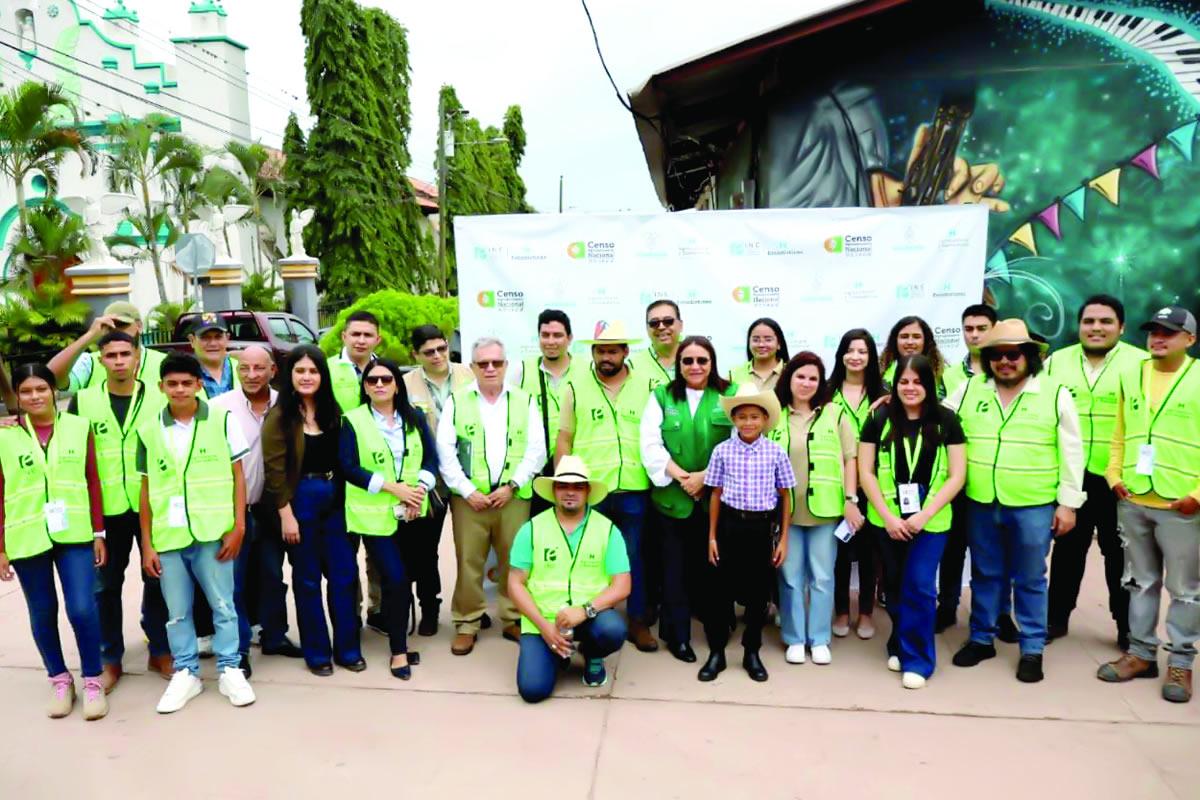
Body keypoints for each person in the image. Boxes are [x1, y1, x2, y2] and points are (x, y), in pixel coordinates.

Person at [946, 319, 1084, 683]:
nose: (1005, 361)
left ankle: (1032, 647)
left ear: (1028, 357)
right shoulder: (970, 389)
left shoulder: (1055, 393)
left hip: (1034, 504)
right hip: (981, 500)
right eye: (997, 355)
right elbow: (937, 418)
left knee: (1030, 578)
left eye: (1013, 354)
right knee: (985, 574)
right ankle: (981, 638)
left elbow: (1072, 452)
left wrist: (1068, 504)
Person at [137, 353, 255, 713]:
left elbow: (238, 476)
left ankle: (230, 669)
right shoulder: (149, 430)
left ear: (199, 385)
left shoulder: (221, 421)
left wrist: (239, 527)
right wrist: (146, 545)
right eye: (171, 383)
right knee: (177, 611)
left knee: (223, 605)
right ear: (161, 388)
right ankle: (185, 672)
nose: (179, 389)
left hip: (214, 535)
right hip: (169, 538)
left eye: (187, 382)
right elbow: (145, 490)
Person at [1097, 306, 1200, 703]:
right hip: (1134, 496)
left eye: (1169, 333)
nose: (1158, 338)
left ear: (1189, 339)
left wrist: (1196, 495)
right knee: (1139, 582)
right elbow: (1119, 434)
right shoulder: (1132, 375)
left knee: (1186, 589)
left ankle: (1181, 663)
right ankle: (1140, 653)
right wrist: (1114, 477)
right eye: (1154, 331)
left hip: (1181, 505)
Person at [0, 363, 109, 720]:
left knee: (81, 607)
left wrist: (98, 532)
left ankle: (93, 680)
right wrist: (1, 547)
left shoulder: (79, 427)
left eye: (41, 389)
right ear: (17, 395)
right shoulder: (4, 435)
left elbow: (93, 480)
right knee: (43, 612)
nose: (35, 397)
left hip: (74, 532)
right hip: (26, 534)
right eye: (26, 391)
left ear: (54, 391)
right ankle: (60, 680)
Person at [68, 331, 172, 691]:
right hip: (105, 512)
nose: (118, 361)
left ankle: (159, 649)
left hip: (151, 504)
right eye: (110, 356)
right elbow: (61, 437)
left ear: (137, 357)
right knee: (105, 587)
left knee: (157, 579)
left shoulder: (160, 396)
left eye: (125, 354)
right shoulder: (83, 401)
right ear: (101, 360)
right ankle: (109, 657)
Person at [1043, 295, 1146, 647]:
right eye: (1089, 321)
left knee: (1120, 556)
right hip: (1071, 478)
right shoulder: (1057, 361)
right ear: (1079, 326)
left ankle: (1126, 628)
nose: (1096, 328)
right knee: (1067, 551)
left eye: (1105, 322)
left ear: (1122, 327)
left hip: (1119, 480)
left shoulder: (1141, 363)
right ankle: (1056, 619)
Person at [859, 355, 967, 689]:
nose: (910, 388)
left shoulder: (947, 420)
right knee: (893, 587)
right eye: (903, 382)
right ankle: (898, 642)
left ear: (929, 385)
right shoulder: (878, 418)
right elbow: (866, 471)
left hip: (930, 522)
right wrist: (890, 517)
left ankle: (919, 660)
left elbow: (957, 475)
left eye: (917, 382)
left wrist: (922, 515)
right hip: (887, 520)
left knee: (919, 586)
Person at [437, 337, 546, 656]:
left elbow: (537, 449)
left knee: (515, 559)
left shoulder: (524, 401)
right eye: (482, 363)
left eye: (496, 363)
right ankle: (467, 622)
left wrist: (512, 485)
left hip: (512, 496)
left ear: (505, 365)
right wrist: (468, 490)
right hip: (469, 499)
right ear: (471, 367)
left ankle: (513, 617)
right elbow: (445, 450)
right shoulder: (457, 401)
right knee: (469, 561)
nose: (489, 368)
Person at [556, 321, 659, 651]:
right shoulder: (575, 385)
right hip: (592, 490)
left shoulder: (648, 385)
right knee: (589, 558)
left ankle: (638, 622)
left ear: (626, 352)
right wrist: (564, 480)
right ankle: (592, 620)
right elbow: (565, 437)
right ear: (592, 352)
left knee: (633, 558)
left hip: (633, 488)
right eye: (601, 350)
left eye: (613, 350)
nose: (606, 357)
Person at [263, 345, 363, 676]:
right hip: (299, 498)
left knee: (343, 575)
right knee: (307, 580)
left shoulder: (332, 412)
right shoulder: (279, 416)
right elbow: (274, 470)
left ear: (323, 375)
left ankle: (347, 650)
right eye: (300, 371)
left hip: (334, 497)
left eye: (314, 371)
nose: (307, 377)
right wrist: (286, 514)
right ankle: (317, 653)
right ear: (290, 376)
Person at [340, 358, 438, 680]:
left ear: (397, 383)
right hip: (375, 518)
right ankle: (398, 652)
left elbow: (430, 458)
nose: (379, 385)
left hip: (412, 513)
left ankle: (400, 639)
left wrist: (419, 490)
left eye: (385, 379)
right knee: (394, 579)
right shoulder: (352, 420)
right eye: (372, 381)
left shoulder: (415, 418)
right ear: (364, 387)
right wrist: (393, 488)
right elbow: (349, 467)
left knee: (404, 580)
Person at [641, 336, 734, 662]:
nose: (695, 367)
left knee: (713, 569)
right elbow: (650, 445)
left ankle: (715, 628)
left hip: (716, 500)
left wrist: (705, 477)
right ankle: (677, 636)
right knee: (674, 572)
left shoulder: (728, 395)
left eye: (702, 360)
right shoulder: (661, 396)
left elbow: (739, 442)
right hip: (672, 500)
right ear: (679, 365)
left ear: (712, 363)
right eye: (688, 361)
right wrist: (683, 477)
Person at [509, 456, 631, 702]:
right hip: (544, 619)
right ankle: (556, 653)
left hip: (588, 617)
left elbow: (622, 585)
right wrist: (545, 628)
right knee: (532, 691)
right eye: (563, 486)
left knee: (613, 630)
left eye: (578, 487)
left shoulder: (607, 530)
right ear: (554, 490)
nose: (570, 492)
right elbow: (514, 583)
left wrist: (584, 611)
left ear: (587, 491)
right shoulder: (531, 528)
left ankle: (591, 653)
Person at [211, 346, 303, 670]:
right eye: (245, 368)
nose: (251, 375)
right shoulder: (218, 408)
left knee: (271, 575)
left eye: (259, 368)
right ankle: (238, 651)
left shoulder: (286, 405)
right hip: (236, 510)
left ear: (272, 371)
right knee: (233, 582)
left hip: (271, 507)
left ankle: (275, 635)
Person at [699, 384, 795, 682]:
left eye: (755, 416)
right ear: (734, 420)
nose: (749, 422)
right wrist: (712, 536)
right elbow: (715, 494)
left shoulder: (776, 453)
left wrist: (783, 539)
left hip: (760, 528)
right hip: (729, 526)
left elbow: (786, 496)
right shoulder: (722, 451)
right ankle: (717, 652)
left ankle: (751, 651)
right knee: (719, 592)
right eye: (742, 417)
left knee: (757, 594)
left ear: (765, 420)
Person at [770, 352, 861, 666]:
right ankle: (795, 638)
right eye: (800, 376)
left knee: (822, 577)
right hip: (786, 513)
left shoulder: (835, 414)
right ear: (789, 379)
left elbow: (851, 458)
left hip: (825, 511)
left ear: (820, 382)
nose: (806, 383)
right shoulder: (775, 415)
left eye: (813, 378)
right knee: (791, 576)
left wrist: (851, 501)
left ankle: (819, 638)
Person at [936, 303, 1005, 634]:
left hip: (995, 481)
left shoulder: (1009, 371)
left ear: (995, 329)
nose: (974, 335)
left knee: (991, 554)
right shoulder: (948, 375)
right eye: (969, 329)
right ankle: (947, 607)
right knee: (952, 550)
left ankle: (998, 615)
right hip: (955, 480)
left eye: (981, 328)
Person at [401, 324, 473, 636]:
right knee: (425, 550)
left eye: (442, 348)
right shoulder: (404, 384)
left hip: (468, 475)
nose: (437, 356)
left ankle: (472, 608)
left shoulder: (469, 375)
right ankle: (430, 608)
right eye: (428, 352)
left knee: (470, 549)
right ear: (415, 354)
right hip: (429, 479)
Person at [827, 329, 886, 640]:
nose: (856, 357)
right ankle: (840, 610)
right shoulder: (826, 392)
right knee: (838, 552)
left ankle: (865, 612)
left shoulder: (884, 392)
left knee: (869, 554)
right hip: (835, 485)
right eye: (850, 350)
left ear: (871, 356)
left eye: (862, 351)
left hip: (873, 485)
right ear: (841, 355)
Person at [511, 309, 583, 513]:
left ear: (569, 338)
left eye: (558, 335)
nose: (551, 341)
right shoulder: (521, 371)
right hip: (535, 472)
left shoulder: (588, 369)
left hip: (577, 472)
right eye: (545, 335)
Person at [47, 301, 167, 400]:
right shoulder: (90, 363)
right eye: (109, 326)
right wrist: (89, 336)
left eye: (122, 325)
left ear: (139, 326)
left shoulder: (163, 362)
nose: (116, 331)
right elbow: (50, 378)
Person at [329, 310, 381, 412]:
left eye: (368, 335)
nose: (361, 341)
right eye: (356, 334)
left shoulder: (387, 370)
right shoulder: (326, 368)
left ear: (378, 340)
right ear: (344, 337)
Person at [881, 316, 946, 397]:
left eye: (916, 337)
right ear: (895, 341)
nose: (910, 342)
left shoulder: (944, 374)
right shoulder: (879, 374)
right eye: (904, 337)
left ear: (926, 341)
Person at [628, 299, 682, 386]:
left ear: (680, 325)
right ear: (647, 329)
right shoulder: (633, 365)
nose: (661, 327)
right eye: (654, 323)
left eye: (668, 321)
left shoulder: (699, 359)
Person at [729, 318, 789, 390]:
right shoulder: (733, 375)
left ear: (779, 344)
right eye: (756, 340)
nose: (761, 344)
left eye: (768, 340)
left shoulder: (790, 373)